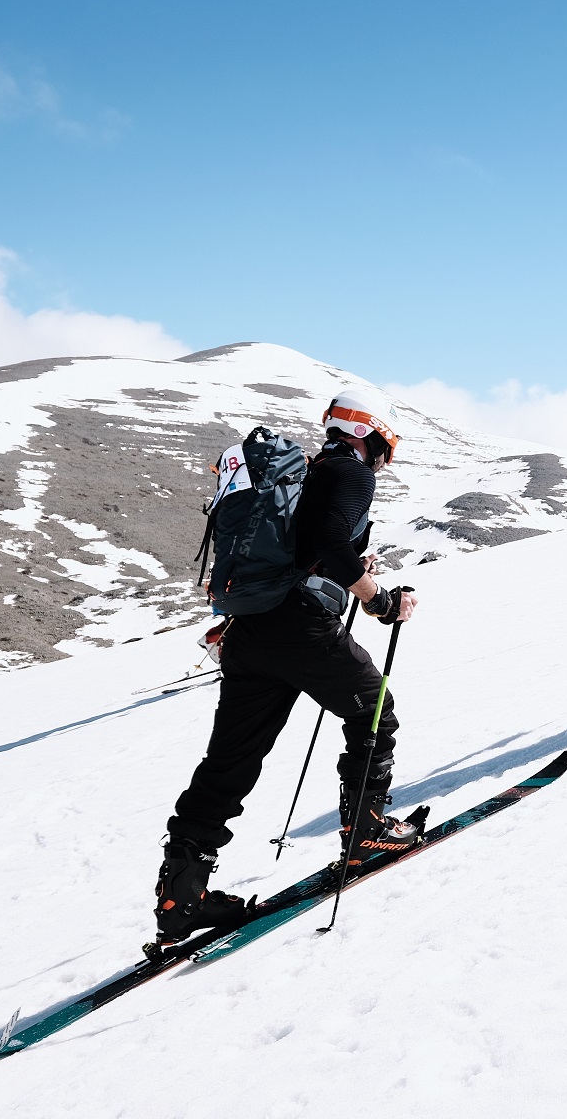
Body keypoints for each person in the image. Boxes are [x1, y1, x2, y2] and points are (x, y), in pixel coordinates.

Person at [154, 389, 420, 945]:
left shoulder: (305, 473)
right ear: (372, 435)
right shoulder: (350, 473)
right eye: (386, 444)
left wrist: (348, 564)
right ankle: (367, 830)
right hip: (301, 630)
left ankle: (182, 898)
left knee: (229, 761)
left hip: (249, 634)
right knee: (374, 709)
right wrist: (379, 599)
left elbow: (311, 547)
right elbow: (329, 543)